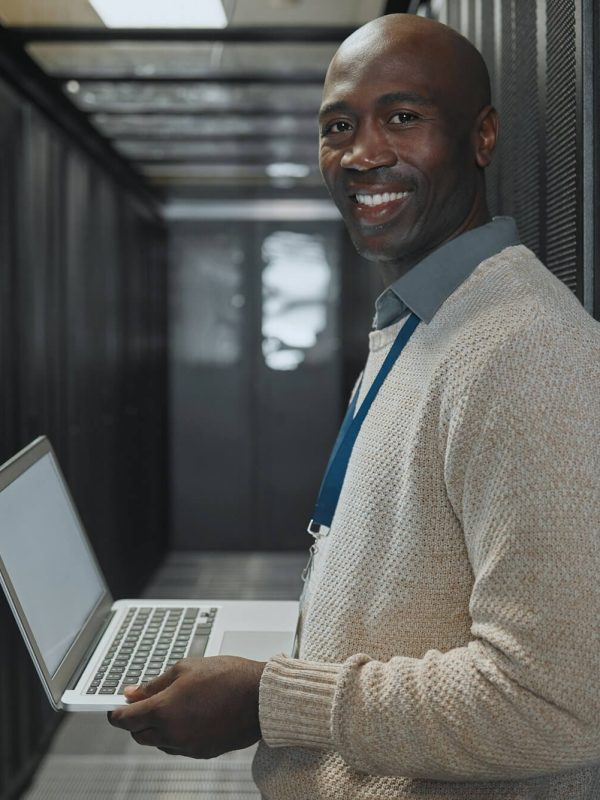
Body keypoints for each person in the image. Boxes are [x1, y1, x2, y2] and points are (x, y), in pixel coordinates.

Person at [109, 13, 600, 799]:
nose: (363, 153)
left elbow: (557, 702)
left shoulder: (527, 351)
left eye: (403, 118)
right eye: (340, 125)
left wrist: (268, 699)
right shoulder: (424, 320)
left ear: (482, 136)